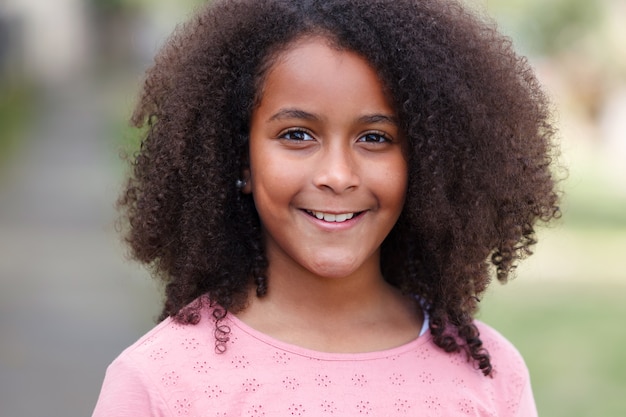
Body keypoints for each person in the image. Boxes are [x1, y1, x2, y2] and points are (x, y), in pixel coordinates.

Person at [92, 0, 561, 415]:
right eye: (297, 135)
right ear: (239, 158)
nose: (337, 175)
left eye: (375, 138)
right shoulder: (159, 382)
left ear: (429, 162)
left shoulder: (490, 376)